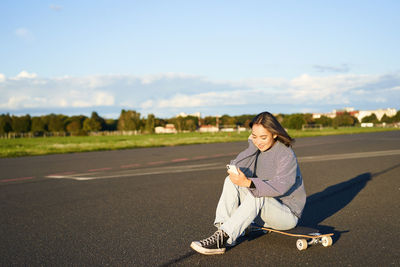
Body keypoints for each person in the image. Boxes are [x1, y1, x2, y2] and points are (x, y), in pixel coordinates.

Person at [190, 111, 306, 255]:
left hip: (287, 214)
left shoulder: (286, 154)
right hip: (264, 211)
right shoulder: (256, 149)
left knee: (258, 193)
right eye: (255, 136)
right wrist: (251, 147)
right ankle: (223, 232)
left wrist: (249, 183)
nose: (259, 141)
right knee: (231, 180)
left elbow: (280, 186)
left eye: (263, 137)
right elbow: (237, 165)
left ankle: (224, 236)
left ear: (275, 134)